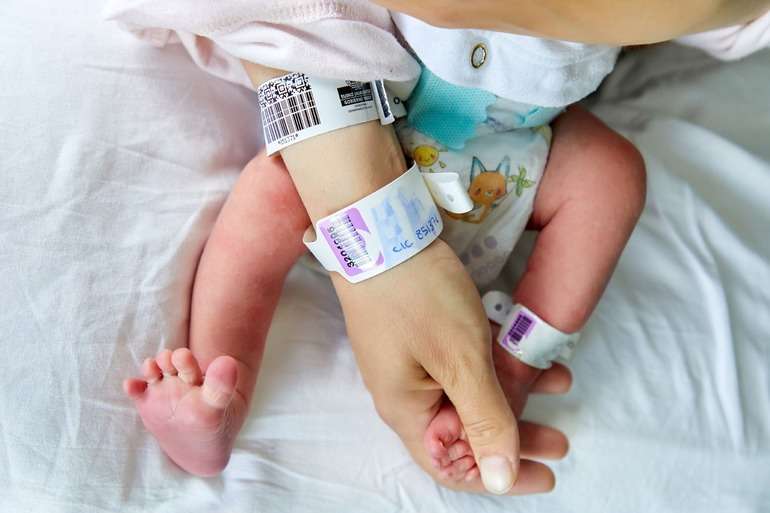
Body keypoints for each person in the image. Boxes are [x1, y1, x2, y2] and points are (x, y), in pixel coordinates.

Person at [113, 0, 769, 495]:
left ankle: (510, 369)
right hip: (350, 144)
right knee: (272, 193)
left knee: (611, 175)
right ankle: (217, 395)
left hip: (516, 155)